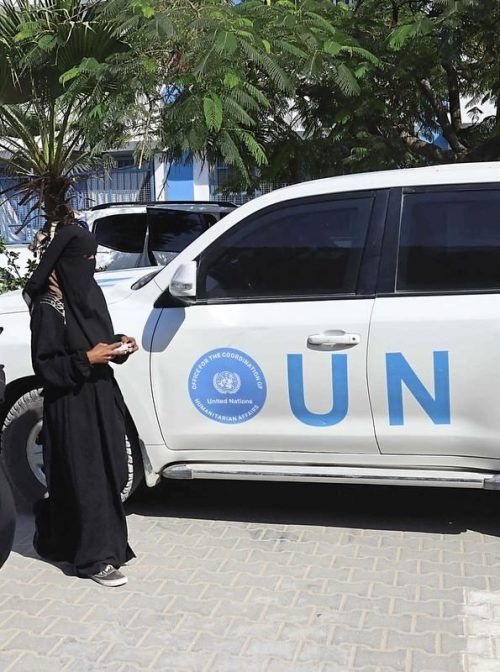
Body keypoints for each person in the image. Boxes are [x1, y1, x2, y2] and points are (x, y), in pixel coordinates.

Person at [23, 222, 138, 587]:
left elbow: (96, 341)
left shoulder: (87, 295)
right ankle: (94, 560)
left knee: (110, 472)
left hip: (100, 398)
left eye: (93, 257)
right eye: (83, 258)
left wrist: (119, 345)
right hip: (72, 405)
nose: (89, 264)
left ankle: (69, 541)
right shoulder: (49, 307)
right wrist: (86, 359)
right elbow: (46, 366)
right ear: (63, 260)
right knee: (86, 480)